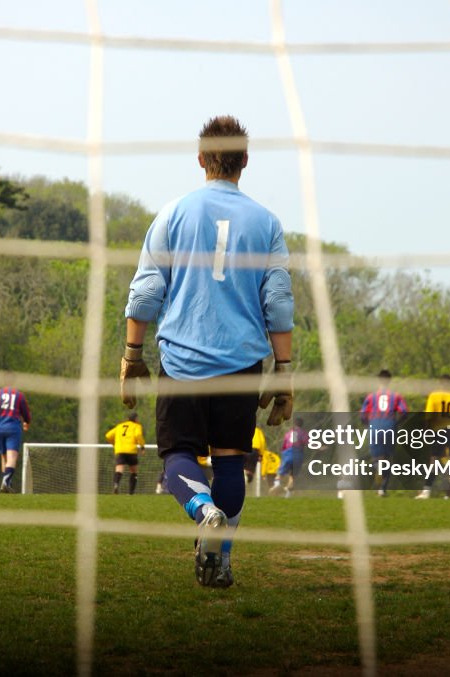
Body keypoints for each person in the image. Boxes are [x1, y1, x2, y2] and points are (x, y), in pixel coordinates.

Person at [119, 115, 294, 588]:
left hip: (182, 361)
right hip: (241, 366)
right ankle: (219, 560)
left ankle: (203, 511)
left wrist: (132, 356)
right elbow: (277, 303)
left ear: (201, 159)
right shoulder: (267, 222)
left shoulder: (174, 213)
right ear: (245, 162)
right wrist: (284, 373)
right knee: (231, 459)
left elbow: (145, 293)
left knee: (179, 456)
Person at [416, 374, 450, 499]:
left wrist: (426, 430)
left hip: (439, 429)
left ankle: (426, 491)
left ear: (440, 383)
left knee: (434, 460)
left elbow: (429, 415)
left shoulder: (434, 395)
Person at [359, 369, 408, 497]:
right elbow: (404, 412)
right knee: (387, 458)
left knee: (376, 458)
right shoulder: (396, 396)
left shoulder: (371, 396)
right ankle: (382, 489)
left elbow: (363, 414)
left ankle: (378, 470)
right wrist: (397, 423)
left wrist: (367, 424)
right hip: (389, 425)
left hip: (375, 425)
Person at [0, 386, 31, 493]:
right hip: (13, 428)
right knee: (12, 457)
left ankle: (6, 484)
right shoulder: (19, 395)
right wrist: (26, 423)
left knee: (4, 456)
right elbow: (26, 415)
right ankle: (5, 482)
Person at [105, 411, 146, 495]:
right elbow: (138, 435)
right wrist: (142, 447)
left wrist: (114, 443)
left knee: (119, 469)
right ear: (136, 419)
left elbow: (108, 435)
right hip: (131, 450)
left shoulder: (120, 426)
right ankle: (131, 493)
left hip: (120, 450)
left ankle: (116, 485)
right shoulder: (137, 426)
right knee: (133, 471)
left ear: (127, 419)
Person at [270, 418, 306, 498]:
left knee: (280, 472)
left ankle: (277, 485)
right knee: (293, 476)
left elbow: (284, 446)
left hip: (288, 454)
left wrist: (284, 455)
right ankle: (288, 495)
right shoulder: (303, 433)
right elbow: (308, 442)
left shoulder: (289, 433)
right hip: (298, 455)